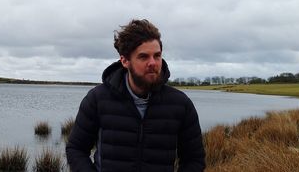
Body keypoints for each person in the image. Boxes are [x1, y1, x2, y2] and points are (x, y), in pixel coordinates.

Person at [66, 19, 205, 172]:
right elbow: (76, 149)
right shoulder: (97, 99)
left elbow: (194, 159)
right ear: (125, 60)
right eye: (143, 57)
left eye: (157, 56)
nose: (153, 63)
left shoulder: (181, 104)